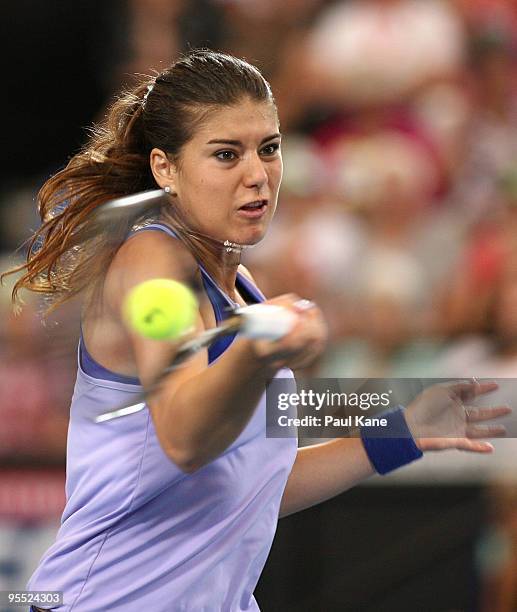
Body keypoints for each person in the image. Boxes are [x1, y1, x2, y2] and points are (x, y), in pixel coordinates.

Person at [4, 50, 509, 612]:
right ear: (164, 168)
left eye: (269, 148)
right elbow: (184, 436)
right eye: (226, 155)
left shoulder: (239, 283)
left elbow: (248, 487)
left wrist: (400, 433)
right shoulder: (153, 264)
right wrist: (260, 350)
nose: (257, 175)